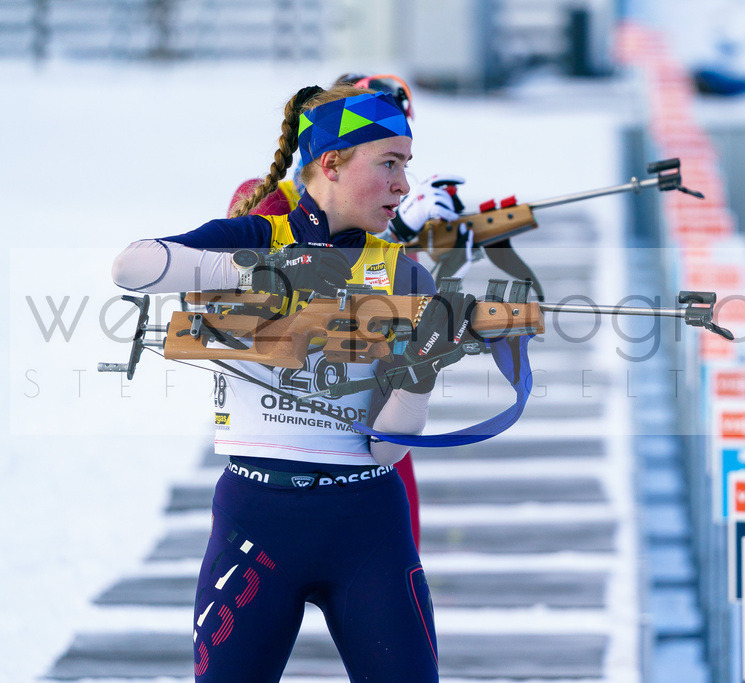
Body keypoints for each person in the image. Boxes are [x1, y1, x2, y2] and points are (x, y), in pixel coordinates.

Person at [111, 83, 477, 681]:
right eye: (389, 163)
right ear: (330, 163)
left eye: (405, 166)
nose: (403, 185)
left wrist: (420, 374)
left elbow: (387, 448)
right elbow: (131, 265)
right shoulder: (256, 235)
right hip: (256, 519)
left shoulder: (402, 275)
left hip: (367, 524)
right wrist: (275, 273)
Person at [224, 73, 465, 550]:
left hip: (369, 429)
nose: (397, 180)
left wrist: (447, 256)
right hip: (286, 442)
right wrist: (396, 233)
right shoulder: (267, 199)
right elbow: (265, 291)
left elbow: (406, 315)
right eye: (384, 159)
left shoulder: (379, 211)